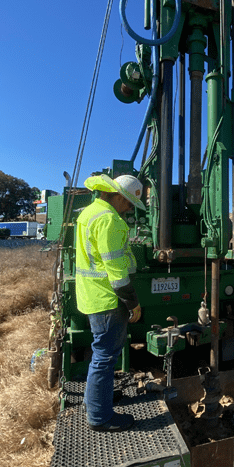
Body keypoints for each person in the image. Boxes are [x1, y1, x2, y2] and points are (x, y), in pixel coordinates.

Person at [75, 173, 145, 431]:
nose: (128, 210)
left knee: (100, 355)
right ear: (116, 197)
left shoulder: (88, 213)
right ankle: (100, 417)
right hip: (107, 298)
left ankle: (96, 401)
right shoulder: (109, 221)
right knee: (104, 357)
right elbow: (117, 275)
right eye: (127, 204)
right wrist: (133, 303)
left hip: (92, 295)